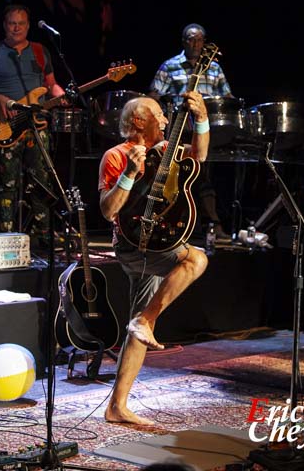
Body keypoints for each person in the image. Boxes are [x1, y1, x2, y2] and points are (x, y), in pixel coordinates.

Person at [99, 94, 209, 424]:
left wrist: (201, 117)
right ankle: (145, 319)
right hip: (133, 246)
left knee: (140, 327)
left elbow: (199, 155)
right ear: (138, 121)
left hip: (158, 243)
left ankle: (117, 406)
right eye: (158, 115)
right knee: (196, 260)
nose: (164, 121)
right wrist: (130, 174)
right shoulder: (115, 156)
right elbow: (108, 210)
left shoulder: (166, 152)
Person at [0, 4, 66, 248]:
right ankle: (7, 236)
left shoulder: (40, 51)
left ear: (27, 26)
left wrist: (62, 94)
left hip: (37, 125)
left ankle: (43, 234)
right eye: (12, 23)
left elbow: (51, 84)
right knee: (8, 182)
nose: (16, 28)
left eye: (21, 23)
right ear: (4, 26)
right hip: (7, 125)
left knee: (43, 180)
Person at [149, 23, 233, 239]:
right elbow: (154, 95)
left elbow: (227, 98)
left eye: (199, 40)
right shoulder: (169, 66)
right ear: (183, 41)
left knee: (205, 176)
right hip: (178, 130)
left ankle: (212, 225)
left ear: (204, 43)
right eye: (191, 39)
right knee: (176, 178)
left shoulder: (214, 68)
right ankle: (172, 223)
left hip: (204, 131)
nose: (195, 44)